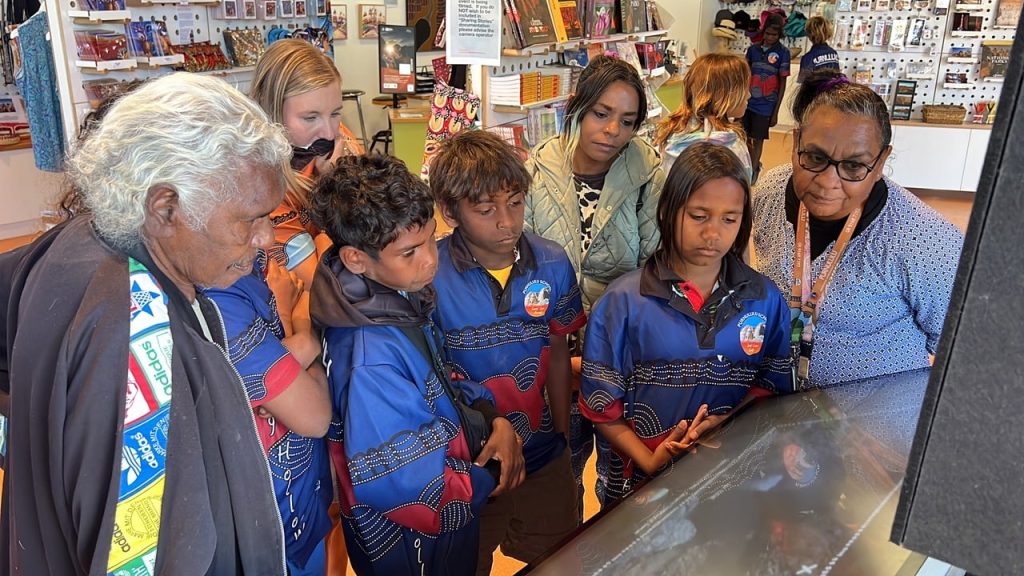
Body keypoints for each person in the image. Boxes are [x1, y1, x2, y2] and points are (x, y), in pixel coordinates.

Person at [1, 73, 291, 574]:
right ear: (165, 208)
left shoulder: (76, 241)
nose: (266, 238)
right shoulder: (136, 323)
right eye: (252, 219)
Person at [307, 154, 526, 575]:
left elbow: (439, 379)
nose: (429, 259)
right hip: (415, 549)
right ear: (356, 259)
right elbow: (412, 491)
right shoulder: (370, 357)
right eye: (409, 252)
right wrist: (491, 471)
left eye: (430, 239)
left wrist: (488, 416)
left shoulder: (393, 295)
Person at [580, 143, 793, 506]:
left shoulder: (765, 299)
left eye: (729, 219)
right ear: (668, 210)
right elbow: (600, 404)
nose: (713, 233)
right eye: (698, 216)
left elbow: (770, 388)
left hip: (733, 483)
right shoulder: (624, 301)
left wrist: (727, 421)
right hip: (640, 489)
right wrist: (649, 459)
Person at [429, 131, 586, 574]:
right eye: (485, 210)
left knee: (560, 557)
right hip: (466, 463)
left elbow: (558, 350)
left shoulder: (552, 263)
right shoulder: (429, 276)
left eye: (515, 203)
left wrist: (562, 435)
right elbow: (430, 373)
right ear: (450, 212)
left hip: (543, 452)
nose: (506, 222)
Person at [752, 71, 964, 388]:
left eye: (853, 166)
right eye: (815, 157)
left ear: (881, 162)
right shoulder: (770, 192)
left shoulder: (925, 240)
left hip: (876, 415)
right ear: (796, 143)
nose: (827, 182)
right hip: (774, 400)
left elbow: (966, 347)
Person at [524, 54, 665, 517]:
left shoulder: (647, 175)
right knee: (559, 475)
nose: (612, 131)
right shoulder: (537, 170)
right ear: (578, 108)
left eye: (627, 121)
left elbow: (655, 269)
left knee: (618, 481)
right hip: (553, 354)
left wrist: (607, 355)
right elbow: (523, 267)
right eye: (601, 113)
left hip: (619, 358)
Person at [202, 253, 333, 574]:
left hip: (302, 499)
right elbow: (314, 416)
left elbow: (305, 306)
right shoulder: (217, 299)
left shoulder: (248, 263)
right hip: (272, 526)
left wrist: (302, 342)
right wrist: (295, 325)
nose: (264, 237)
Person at [250, 38, 361, 291]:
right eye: (310, 118)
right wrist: (331, 192)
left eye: (335, 113)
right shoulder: (263, 184)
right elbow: (321, 284)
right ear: (272, 112)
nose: (329, 132)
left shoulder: (337, 140)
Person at [653, 52, 753, 180]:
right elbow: (743, 185)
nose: (749, 95)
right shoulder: (731, 145)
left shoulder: (674, 130)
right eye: (744, 89)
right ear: (724, 94)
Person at [745, 16, 790, 183]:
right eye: (768, 33)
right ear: (763, 32)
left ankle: (753, 171)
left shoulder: (783, 53)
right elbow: (745, 75)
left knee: (758, 140)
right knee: (744, 137)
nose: (770, 37)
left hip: (766, 107)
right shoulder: (753, 50)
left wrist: (775, 112)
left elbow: (783, 83)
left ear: (780, 35)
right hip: (747, 103)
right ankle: (747, 166)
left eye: (774, 35)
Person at [798, 17, 840, 83]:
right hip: (832, 89)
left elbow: (803, 83)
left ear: (808, 34)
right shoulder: (834, 53)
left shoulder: (808, 58)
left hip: (816, 89)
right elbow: (838, 77)